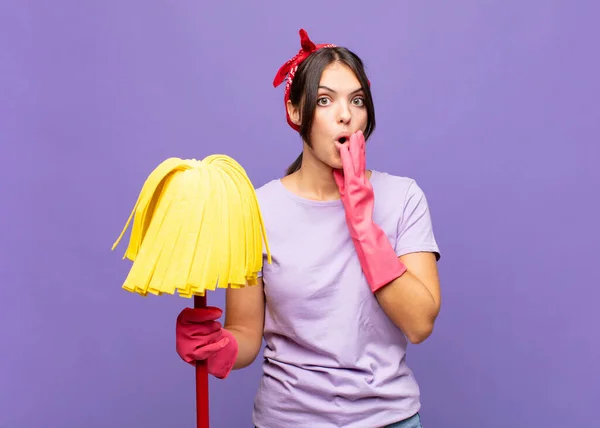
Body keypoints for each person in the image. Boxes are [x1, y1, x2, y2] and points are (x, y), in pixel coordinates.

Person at [176, 29, 442, 428]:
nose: (345, 114)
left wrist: (362, 223)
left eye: (357, 100)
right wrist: (219, 346)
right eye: (324, 99)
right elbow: (246, 331)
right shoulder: (256, 210)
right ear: (295, 112)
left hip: (389, 421)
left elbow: (419, 323)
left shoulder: (403, 197)